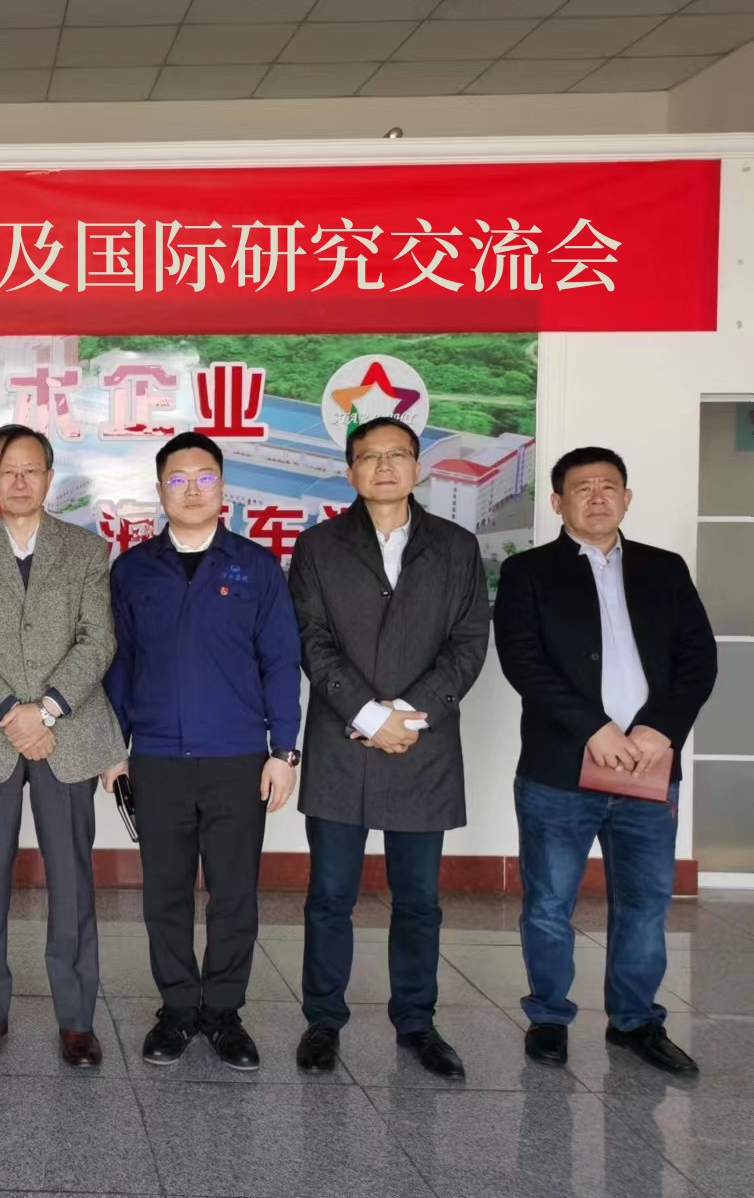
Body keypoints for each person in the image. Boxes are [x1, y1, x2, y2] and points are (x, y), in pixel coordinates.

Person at [494, 447, 716, 1074]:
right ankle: (548, 1016)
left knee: (645, 902)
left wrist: (660, 731)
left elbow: (698, 657)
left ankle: (635, 1021)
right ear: (557, 501)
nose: (597, 497)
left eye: (609, 486)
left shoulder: (664, 569)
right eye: (582, 487)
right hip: (560, 769)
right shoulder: (528, 572)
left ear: (627, 497)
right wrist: (593, 728)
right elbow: (523, 662)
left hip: (649, 765)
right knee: (549, 903)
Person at [288, 415, 490, 1079]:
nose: (383, 467)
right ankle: (323, 1020)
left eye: (397, 455)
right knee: (330, 896)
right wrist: (368, 713)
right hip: (342, 743)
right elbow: (311, 639)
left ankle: (417, 1023)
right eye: (369, 457)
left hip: (421, 748)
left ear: (417, 467)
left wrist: (405, 714)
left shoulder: (456, 547)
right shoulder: (318, 546)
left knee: (419, 900)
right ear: (350, 471)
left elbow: (468, 643)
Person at [105, 432, 301, 1070]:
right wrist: (114, 747)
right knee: (164, 892)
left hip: (238, 759)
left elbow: (281, 661)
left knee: (233, 893)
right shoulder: (133, 569)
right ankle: (177, 1009)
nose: (192, 490)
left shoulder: (256, 566)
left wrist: (284, 751)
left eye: (205, 478)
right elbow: (119, 665)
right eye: (178, 479)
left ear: (224, 488)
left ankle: (223, 1013)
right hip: (157, 758)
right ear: (160, 490)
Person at [0, 424, 127, 1068]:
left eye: (31, 469)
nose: (19, 481)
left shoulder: (86, 549)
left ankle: (77, 1019)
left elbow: (98, 640)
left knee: (71, 878)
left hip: (66, 733)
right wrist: (8, 714)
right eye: (6, 470)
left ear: (49, 477)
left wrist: (43, 711)